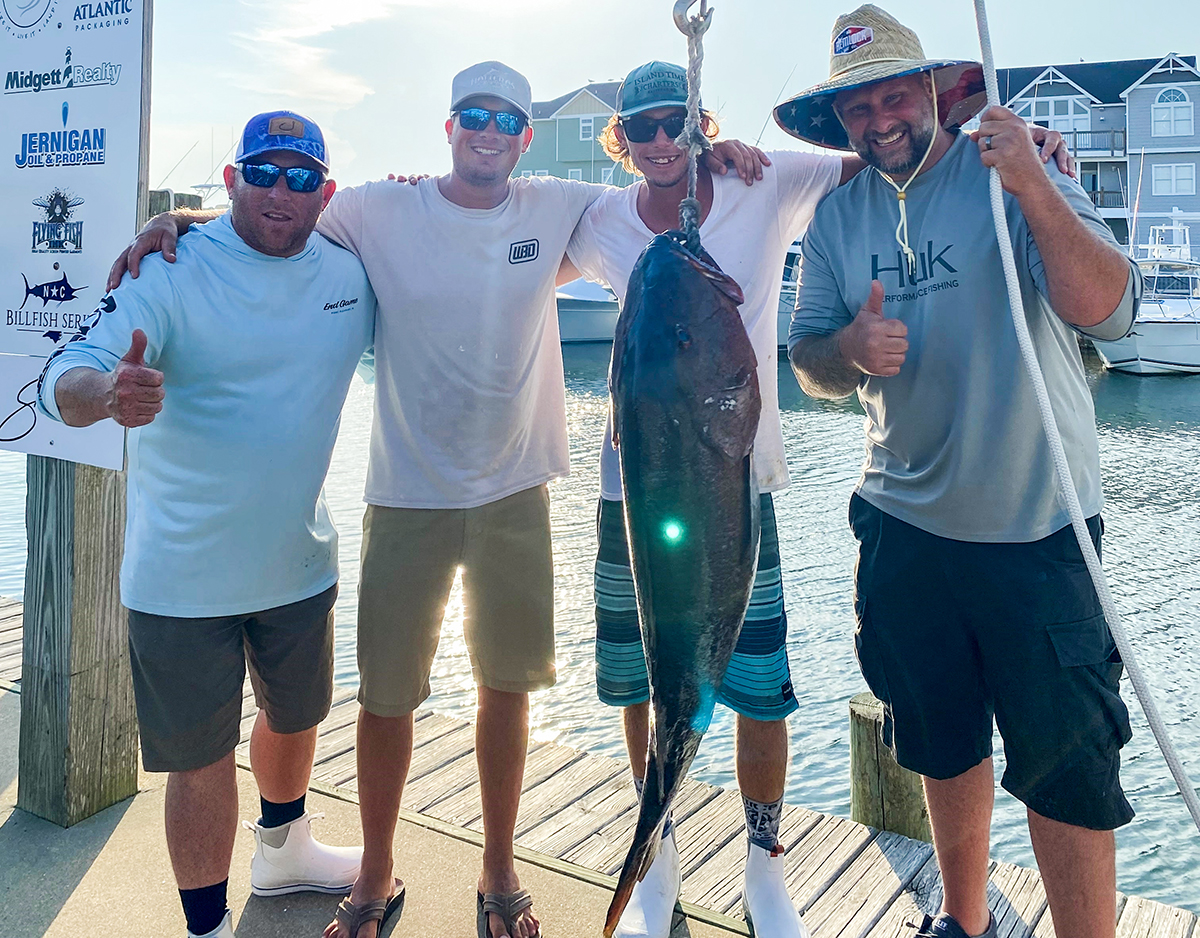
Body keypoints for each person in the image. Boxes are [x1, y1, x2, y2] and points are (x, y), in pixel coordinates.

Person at [109, 62, 768, 938]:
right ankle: (375, 875)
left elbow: (656, 195)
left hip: (517, 493)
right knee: (386, 696)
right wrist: (179, 219)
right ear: (449, 125)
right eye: (474, 115)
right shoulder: (378, 209)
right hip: (406, 496)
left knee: (507, 689)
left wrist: (714, 152)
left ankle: (499, 870)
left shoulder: (557, 203)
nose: (490, 131)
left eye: (508, 118)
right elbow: (271, 214)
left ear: (526, 135)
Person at [560, 59, 1072, 938]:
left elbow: (884, 157)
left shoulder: (763, 178)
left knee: (759, 688)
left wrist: (1025, 151)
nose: (657, 140)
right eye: (639, 126)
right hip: (634, 495)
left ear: (699, 125)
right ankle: (660, 849)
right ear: (621, 140)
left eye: (674, 122)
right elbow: (513, 248)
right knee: (647, 678)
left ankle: (766, 861)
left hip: (732, 486)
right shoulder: (602, 220)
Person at [781, 7, 1139, 938]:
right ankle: (965, 922)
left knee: (1068, 770)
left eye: (896, 95)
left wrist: (1031, 183)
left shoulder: (1012, 170)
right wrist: (850, 348)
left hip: (1042, 531)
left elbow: (1111, 311)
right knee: (938, 742)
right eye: (858, 107)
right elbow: (807, 359)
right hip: (903, 531)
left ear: (935, 93)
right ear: (840, 121)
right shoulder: (835, 218)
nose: (879, 119)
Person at [37, 111, 374, 938]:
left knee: (295, 718)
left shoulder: (352, 273)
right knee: (199, 762)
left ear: (325, 194)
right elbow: (64, 376)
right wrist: (108, 397)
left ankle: (286, 847)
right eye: (262, 171)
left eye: (301, 177)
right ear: (230, 181)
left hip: (299, 560)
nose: (280, 190)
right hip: (180, 578)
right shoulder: (171, 270)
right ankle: (206, 927)